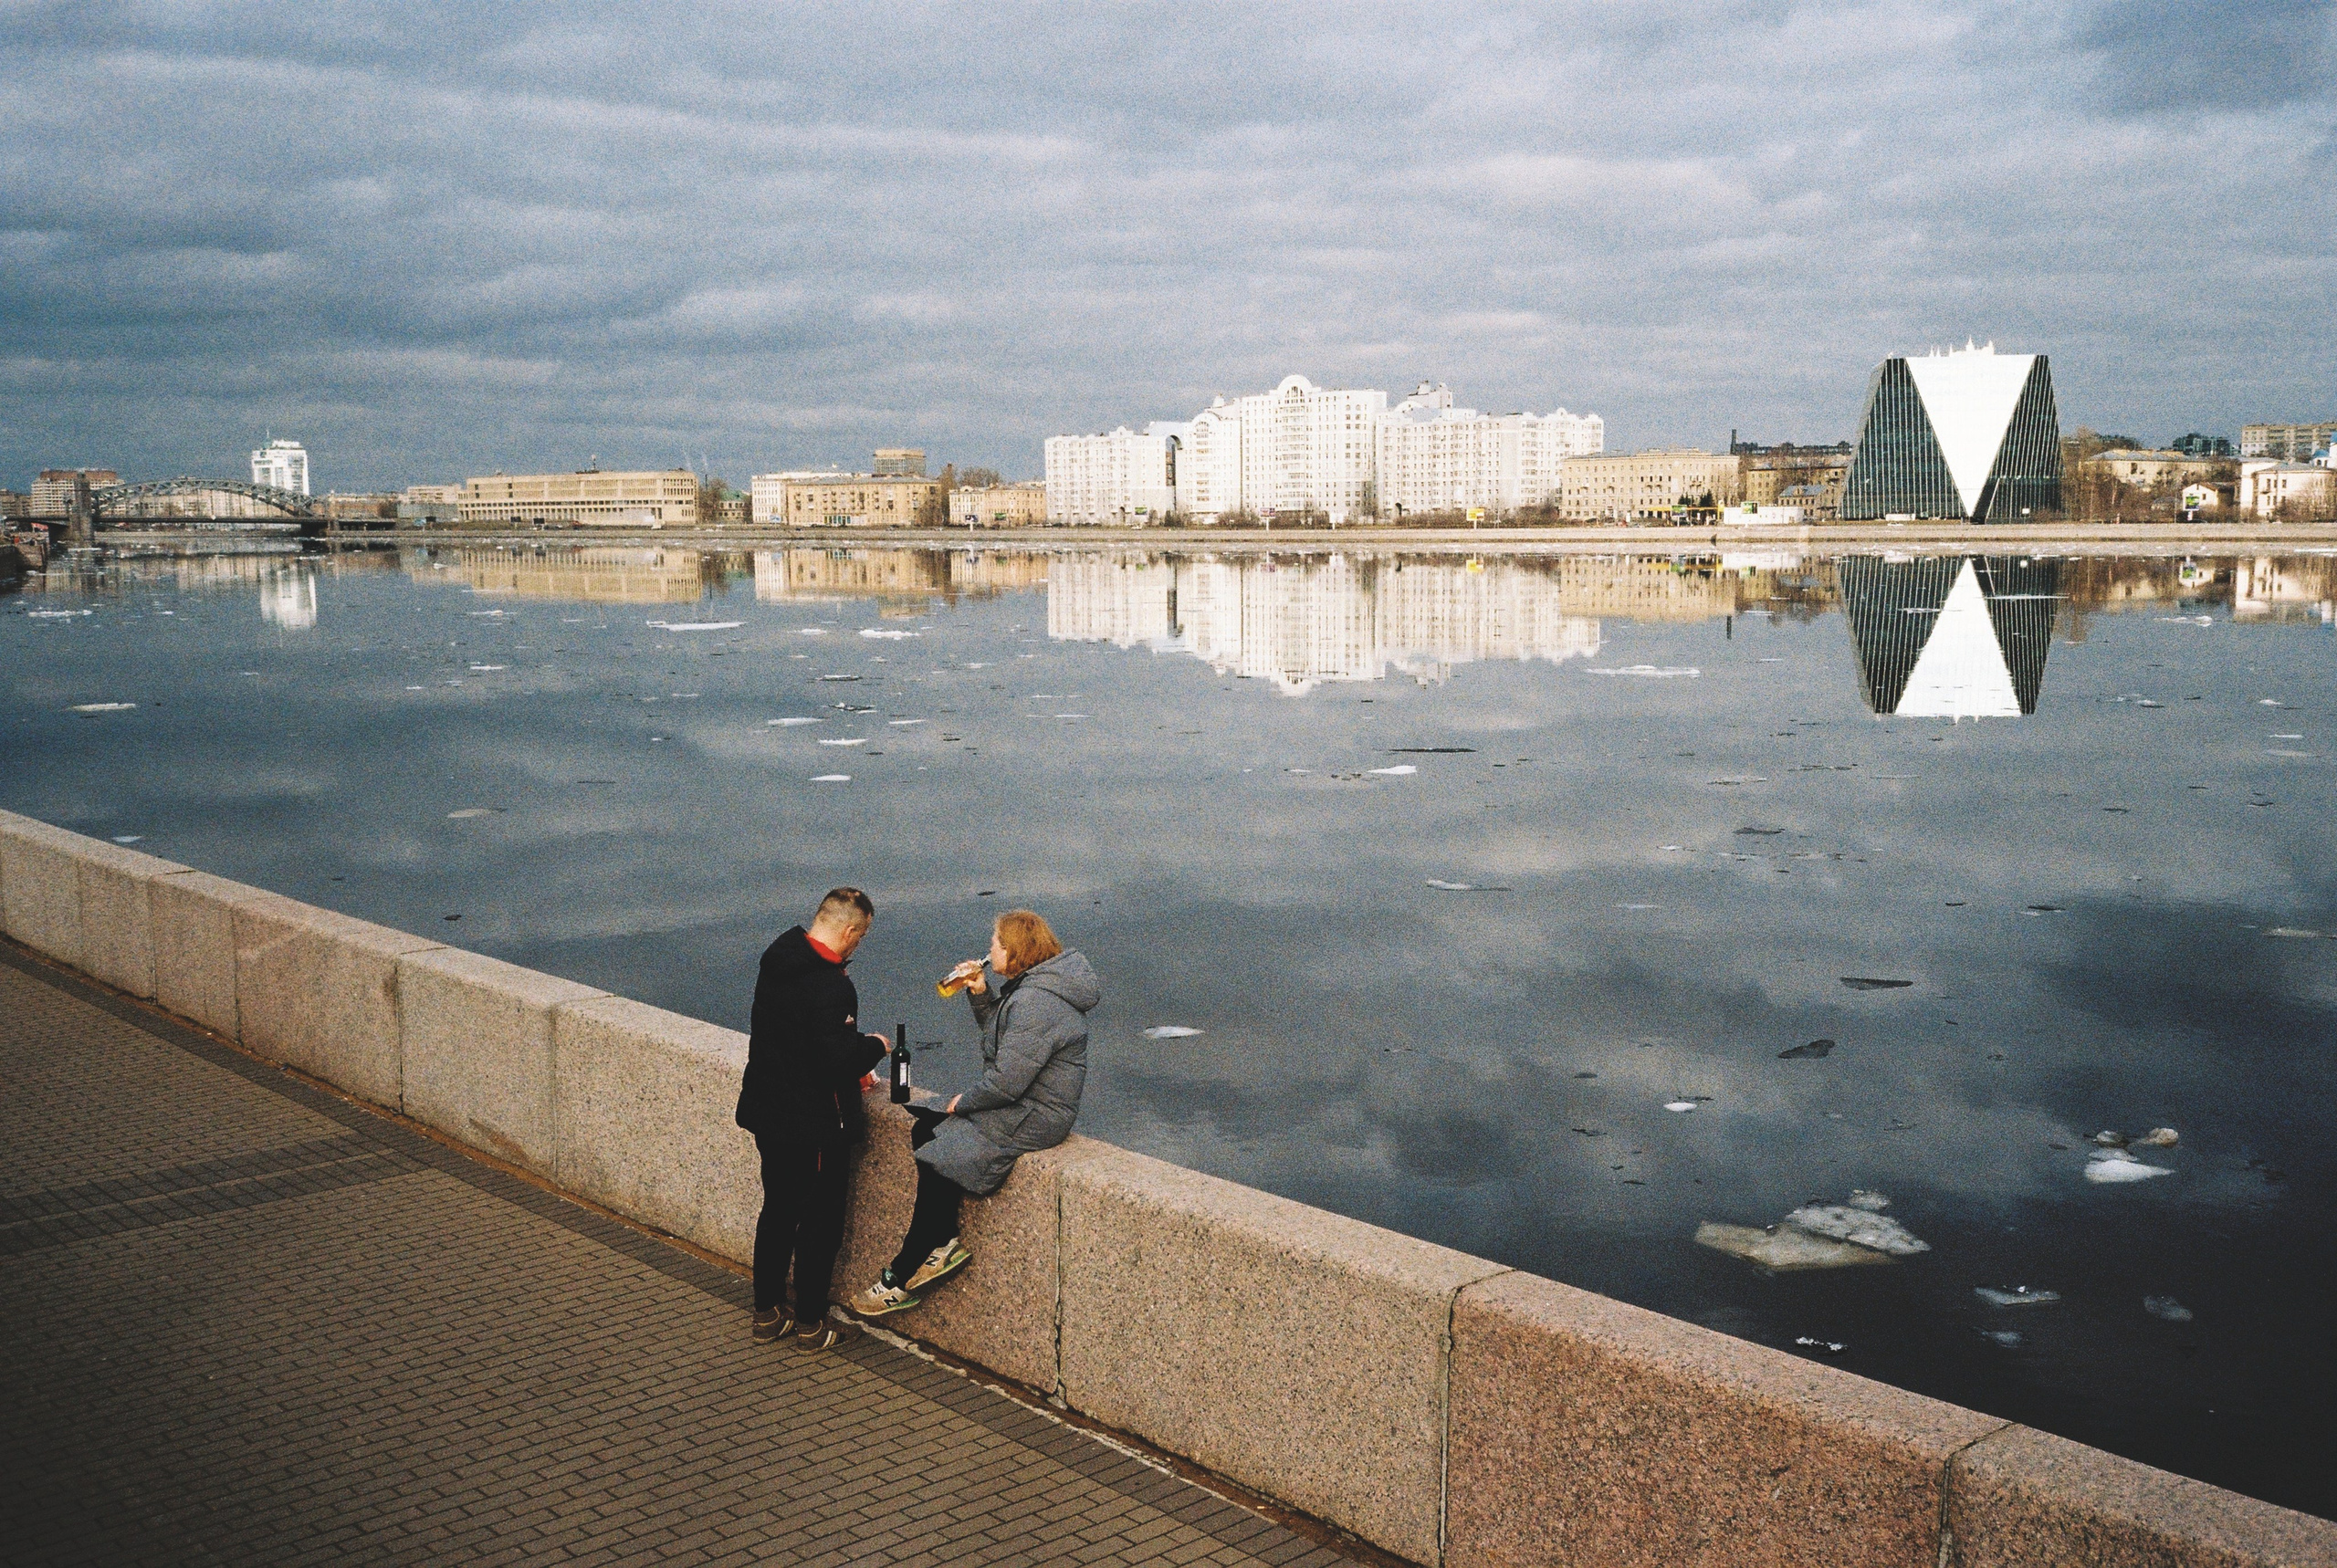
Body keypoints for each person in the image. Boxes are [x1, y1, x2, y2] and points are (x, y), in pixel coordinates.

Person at [852, 909, 1099, 1316]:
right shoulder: (1034, 990)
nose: (989, 950)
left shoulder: (1039, 1003)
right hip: (1022, 1102)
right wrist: (980, 991)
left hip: (1036, 1114)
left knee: (942, 1150)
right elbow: (1005, 1039)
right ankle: (944, 1239)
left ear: (1014, 951)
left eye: (995, 945)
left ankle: (901, 1273)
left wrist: (962, 1102)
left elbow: (1007, 1081)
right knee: (926, 1128)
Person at [735, 886, 891, 1353]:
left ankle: (767, 1312)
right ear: (848, 930)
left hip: (769, 1111)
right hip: (814, 1126)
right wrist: (874, 1047)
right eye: (860, 938)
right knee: (820, 1224)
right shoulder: (831, 985)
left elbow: (794, 1040)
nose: (857, 946)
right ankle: (810, 1323)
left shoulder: (778, 959)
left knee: (778, 1212)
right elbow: (834, 1059)